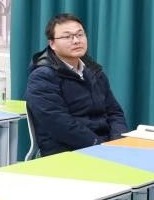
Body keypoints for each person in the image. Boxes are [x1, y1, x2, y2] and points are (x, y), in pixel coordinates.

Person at [26, 13, 127, 156]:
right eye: (67, 37)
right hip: (67, 152)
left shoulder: (94, 71)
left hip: (104, 147)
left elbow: (114, 112)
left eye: (80, 35)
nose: (76, 40)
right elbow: (60, 125)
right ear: (52, 43)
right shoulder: (42, 77)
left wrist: (117, 142)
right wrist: (99, 147)